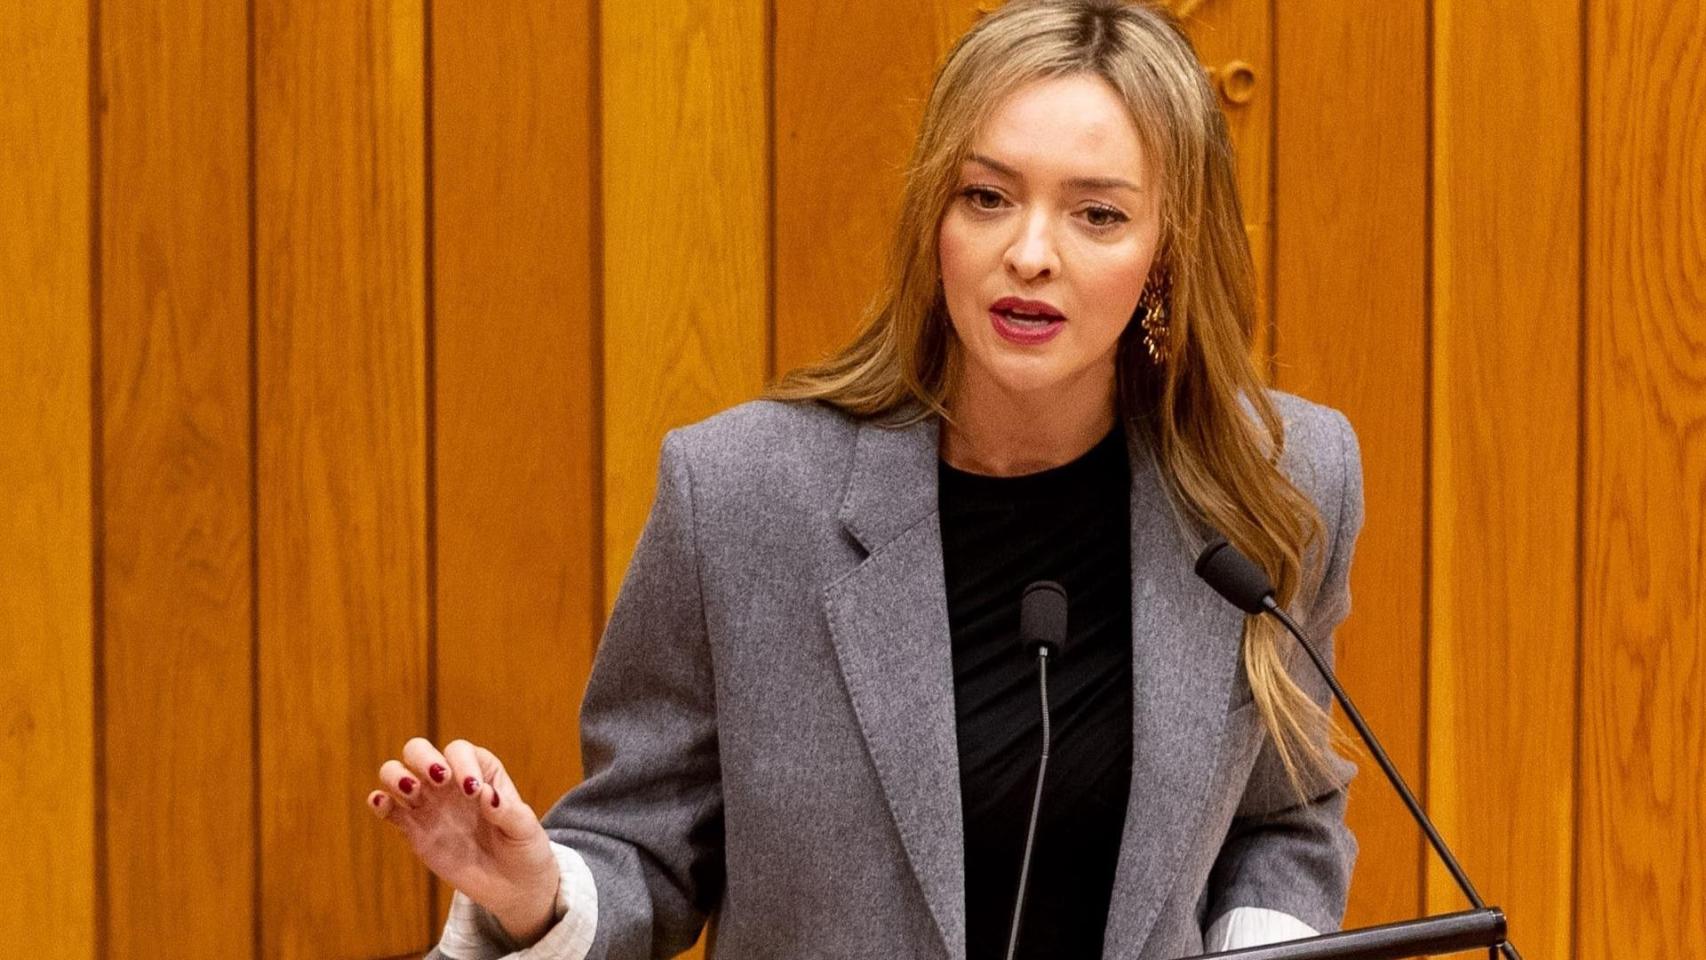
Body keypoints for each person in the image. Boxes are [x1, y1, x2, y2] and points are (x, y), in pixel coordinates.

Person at [366, 1, 1364, 957]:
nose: (1027, 254)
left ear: (1165, 252)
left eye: (1096, 215)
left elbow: (1284, 814)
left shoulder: (1274, 485)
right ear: (935, 220)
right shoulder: (744, 494)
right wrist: (537, 898)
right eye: (986, 197)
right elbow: (643, 847)